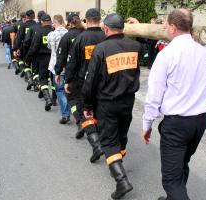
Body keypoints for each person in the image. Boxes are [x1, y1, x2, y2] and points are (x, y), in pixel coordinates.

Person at [141, 9, 206, 200]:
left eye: (165, 24)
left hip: (178, 124)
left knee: (171, 180)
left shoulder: (167, 54)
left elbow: (154, 95)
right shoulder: (204, 52)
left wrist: (147, 124)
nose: (164, 27)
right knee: (182, 164)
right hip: (200, 120)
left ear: (173, 27)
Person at [82, 13, 142, 199]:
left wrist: (87, 105)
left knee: (108, 140)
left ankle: (121, 181)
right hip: (128, 101)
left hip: (107, 103)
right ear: (122, 29)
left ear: (106, 29)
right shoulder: (135, 46)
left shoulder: (101, 49)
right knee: (121, 135)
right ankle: (117, 162)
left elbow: (91, 80)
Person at [65, 8, 105, 163]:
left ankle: (96, 144)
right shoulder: (106, 36)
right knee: (99, 111)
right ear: (99, 20)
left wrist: (68, 81)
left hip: (85, 83)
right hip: (104, 82)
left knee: (84, 113)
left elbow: (72, 63)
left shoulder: (81, 39)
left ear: (86, 20)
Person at [25, 14, 54, 111]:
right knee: (54, 78)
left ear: (41, 21)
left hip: (43, 58)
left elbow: (34, 47)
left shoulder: (39, 32)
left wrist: (28, 58)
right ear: (50, 21)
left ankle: (47, 99)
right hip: (54, 58)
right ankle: (54, 98)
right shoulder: (54, 31)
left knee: (43, 78)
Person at [47, 14, 69, 124]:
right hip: (69, 65)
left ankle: (65, 114)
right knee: (69, 89)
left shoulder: (52, 34)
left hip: (56, 65)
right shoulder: (69, 33)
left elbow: (50, 47)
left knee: (60, 90)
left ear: (54, 23)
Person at [24, 10, 46, 92]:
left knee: (36, 70)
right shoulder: (51, 28)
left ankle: (37, 86)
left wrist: (28, 52)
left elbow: (27, 41)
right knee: (44, 73)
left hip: (36, 53)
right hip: (48, 54)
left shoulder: (33, 28)